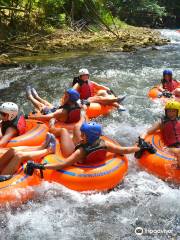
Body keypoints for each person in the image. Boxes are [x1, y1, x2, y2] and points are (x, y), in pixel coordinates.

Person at [25, 121, 141, 173]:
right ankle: (82, 117)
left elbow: (62, 164)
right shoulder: (105, 144)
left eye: (83, 134)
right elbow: (125, 150)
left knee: (64, 131)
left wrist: (39, 166)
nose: (81, 136)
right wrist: (139, 147)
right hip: (87, 149)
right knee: (76, 128)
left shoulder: (80, 152)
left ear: (89, 136)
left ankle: (51, 127)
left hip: (70, 154)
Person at [141, 100, 180, 168]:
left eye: (173, 111)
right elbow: (147, 131)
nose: (170, 113)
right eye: (169, 111)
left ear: (177, 112)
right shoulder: (162, 123)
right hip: (170, 148)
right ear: (166, 112)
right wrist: (141, 139)